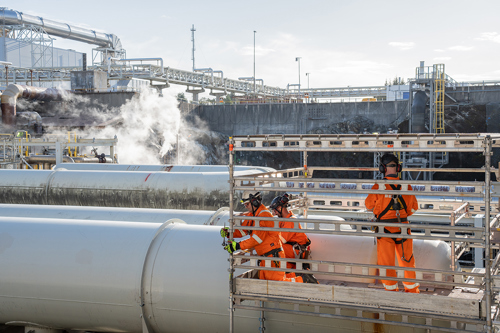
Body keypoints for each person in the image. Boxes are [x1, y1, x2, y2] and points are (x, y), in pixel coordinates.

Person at [365, 153, 420, 293]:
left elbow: (369, 205)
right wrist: (402, 215)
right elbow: (414, 207)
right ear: (398, 168)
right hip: (403, 228)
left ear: (382, 168)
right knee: (407, 262)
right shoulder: (406, 186)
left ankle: (391, 292)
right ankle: (412, 291)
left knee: (387, 264)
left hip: (385, 231)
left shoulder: (378, 187)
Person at [221, 191, 302, 283]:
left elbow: (256, 239)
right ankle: (300, 279)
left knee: (278, 285)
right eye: (244, 204)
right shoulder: (253, 215)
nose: (246, 206)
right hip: (265, 258)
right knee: (267, 287)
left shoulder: (263, 215)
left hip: (273, 257)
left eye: (247, 204)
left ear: (254, 202)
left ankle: (303, 280)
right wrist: (229, 233)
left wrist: (238, 246)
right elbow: (243, 231)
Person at [269, 193, 318, 284]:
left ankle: (302, 276)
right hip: (293, 250)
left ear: (280, 208)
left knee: (274, 249)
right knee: (284, 268)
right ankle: (302, 277)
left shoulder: (291, 220)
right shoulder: (284, 220)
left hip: (297, 251)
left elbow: (280, 240)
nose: (274, 213)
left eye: (274, 210)